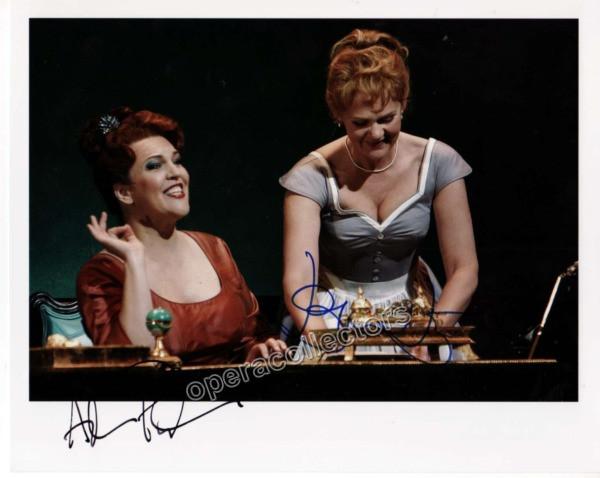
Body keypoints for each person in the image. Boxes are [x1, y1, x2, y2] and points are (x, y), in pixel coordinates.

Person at [280, 29, 478, 361]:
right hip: (332, 316)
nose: (376, 134)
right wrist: (323, 342)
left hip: (418, 314)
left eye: (387, 119)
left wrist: (431, 333)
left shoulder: (439, 161)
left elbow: (464, 268)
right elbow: (298, 279)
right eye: (361, 123)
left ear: (403, 104)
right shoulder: (310, 175)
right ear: (338, 115)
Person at [77, 107, 286, 364]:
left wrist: (255, 351)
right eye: (155, 165)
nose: (176, 173)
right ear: (125, 193)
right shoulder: (101, 274)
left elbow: (249, 337)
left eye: (176, 161)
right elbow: (134, 362)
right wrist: (135, 260)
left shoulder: (215, 247)